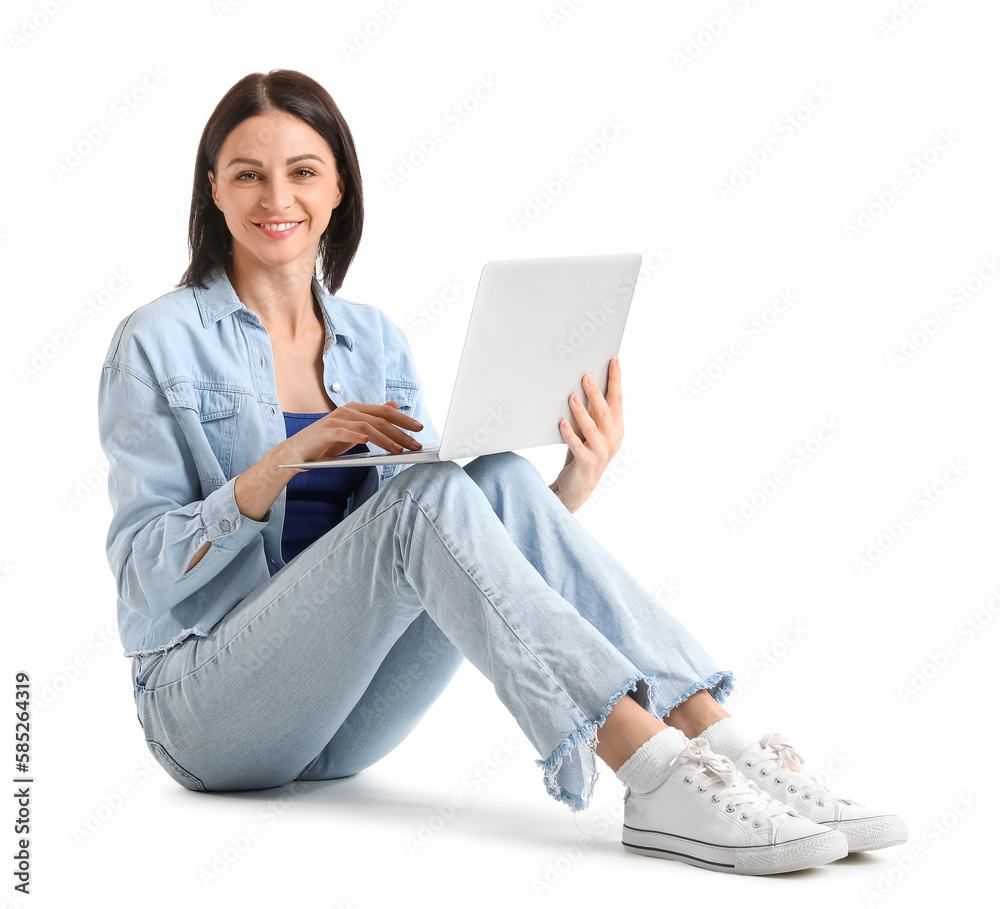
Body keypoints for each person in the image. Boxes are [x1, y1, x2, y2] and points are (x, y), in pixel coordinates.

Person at [98, 69, 906, 876]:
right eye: (249, 173)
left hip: (342, 720)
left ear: (339, 185)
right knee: (428, 495)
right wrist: (276, 465)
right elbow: (141, 575)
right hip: (205, 711)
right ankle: (651, 770)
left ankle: (712, 734)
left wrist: (567, 491)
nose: (278, 196)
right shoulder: (155, 342)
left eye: (303, 170)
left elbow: (450, 545)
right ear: (214, 189)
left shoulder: (373, 342)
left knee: (487, 473)